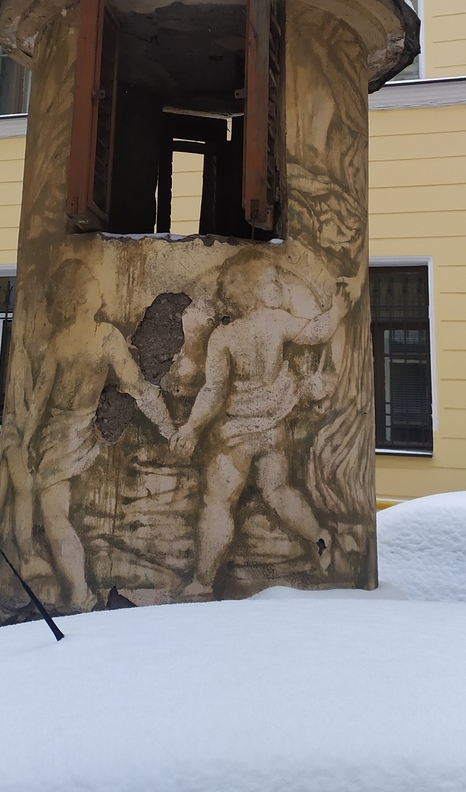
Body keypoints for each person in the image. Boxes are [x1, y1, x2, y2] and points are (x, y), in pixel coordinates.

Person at [170, 255, 364, 598]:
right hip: (272, 428)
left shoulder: (225, 336)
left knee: (218, 502)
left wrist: (191, 428)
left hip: (237, 435)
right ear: (252, 291)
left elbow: (214, 391)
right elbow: (316, 332)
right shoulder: (276, 321)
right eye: (272, 282)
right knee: (279, 491)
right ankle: (321, 537)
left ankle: (203, 580)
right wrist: (336, 312)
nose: (279, 287)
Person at [22, 258, 174, 611]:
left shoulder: (60, 341)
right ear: (79, 297)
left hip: (56, 439)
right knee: (63, 519)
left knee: (57, 518)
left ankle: (79, 595)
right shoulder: (105, 336)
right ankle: (80, 596)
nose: (98, 286)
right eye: (91, 281)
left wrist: (29, 440)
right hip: (79, 437)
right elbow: (137, 387)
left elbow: (39, 399)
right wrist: (168, 427)